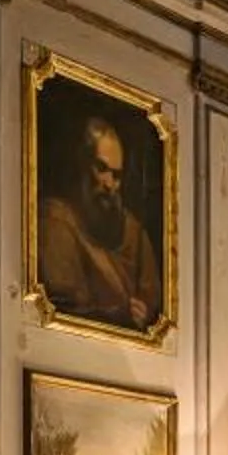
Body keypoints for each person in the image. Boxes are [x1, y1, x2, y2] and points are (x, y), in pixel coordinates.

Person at [37, 114, 165, 331]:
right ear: (82, 165)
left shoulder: (134, 233)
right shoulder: (56, 220)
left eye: (116, 176)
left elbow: (153, 310)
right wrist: (119, 313)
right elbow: (64, 304)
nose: (109, 184)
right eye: (101, 168)